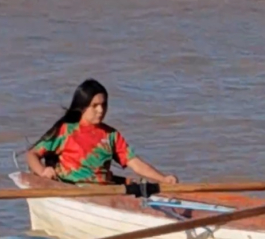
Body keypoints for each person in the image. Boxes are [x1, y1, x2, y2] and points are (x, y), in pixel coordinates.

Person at [26, 78, 178, 186]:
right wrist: (42, 171)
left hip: (103, 193)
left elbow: (135, 163)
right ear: (83, 106)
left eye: (104, 105)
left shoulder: (111, 135)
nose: (101, 110)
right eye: (95, 105)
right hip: (71, 189)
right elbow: (32, 154)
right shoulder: (66, 130)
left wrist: (163, 179)